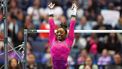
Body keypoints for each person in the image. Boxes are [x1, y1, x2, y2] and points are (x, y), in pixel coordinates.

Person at [48, 2, 77, 69]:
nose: (59, 34)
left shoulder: (69, 41)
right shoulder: (52, 39)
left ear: (66, 34)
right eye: (58, 32)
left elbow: (72, 26)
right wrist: (50, 11)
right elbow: (52, 26)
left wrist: (74, 12)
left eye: (61, 33)